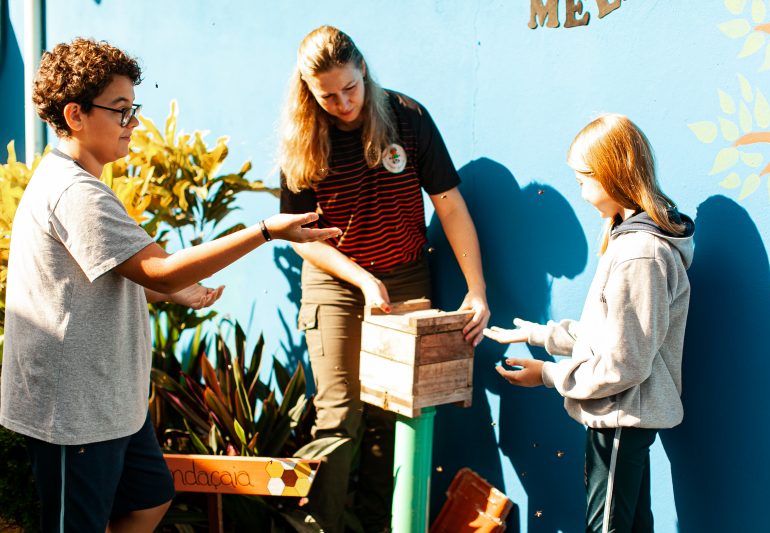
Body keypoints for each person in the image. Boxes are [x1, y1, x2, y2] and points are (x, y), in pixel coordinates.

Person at [0, 38, 340, 533]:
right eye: (120, 111)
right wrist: (264, 231)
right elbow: (159, 268)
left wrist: (172, 290)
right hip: (73, 414)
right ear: (75, 115)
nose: (133, 123)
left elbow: (123, 275)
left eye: (132, 109)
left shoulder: (80, 182)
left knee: (151, 496)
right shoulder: (75, 191)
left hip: (112, 406)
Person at [278, 25, 490, 533]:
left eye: (349, 88)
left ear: (363, 71)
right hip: (335, 281)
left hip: (407, 272)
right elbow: (303, 237)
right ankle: (316, 527)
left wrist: (476, 289)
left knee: (389, 413)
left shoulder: (407, 118)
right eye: (327, 95)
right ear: (308, 90)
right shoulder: (301, 138)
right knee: (340, 413)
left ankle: (377, 525)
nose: (343, 102)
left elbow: (450, 205)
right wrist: (363, 281)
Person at [484, 114, 694, 533]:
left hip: (620, 418)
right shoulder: (628, 242)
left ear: (612, 174)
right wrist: (539, 335)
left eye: (583, 178)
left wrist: (547, 374)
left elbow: (624, 363)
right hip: (617, 417)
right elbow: (611, 335)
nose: (580, 189)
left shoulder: (639, 255)